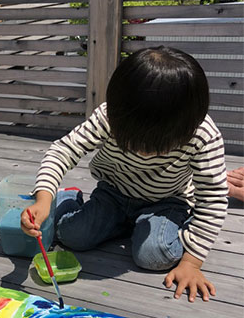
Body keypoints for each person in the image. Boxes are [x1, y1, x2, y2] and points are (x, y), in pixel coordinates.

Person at [21, 46, 228, 303]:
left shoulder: (203, 134)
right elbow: (63, 150)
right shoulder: (109, 117)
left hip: (166, 201)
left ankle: (124, 225)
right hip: (114, 193)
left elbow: (213, 199)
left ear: (187, 126)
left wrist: (192, 263)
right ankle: (68, 200)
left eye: (158, 147)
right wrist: (43, 199)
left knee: (155, 255)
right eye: (132, 142)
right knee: (73, 236)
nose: (143, 153)